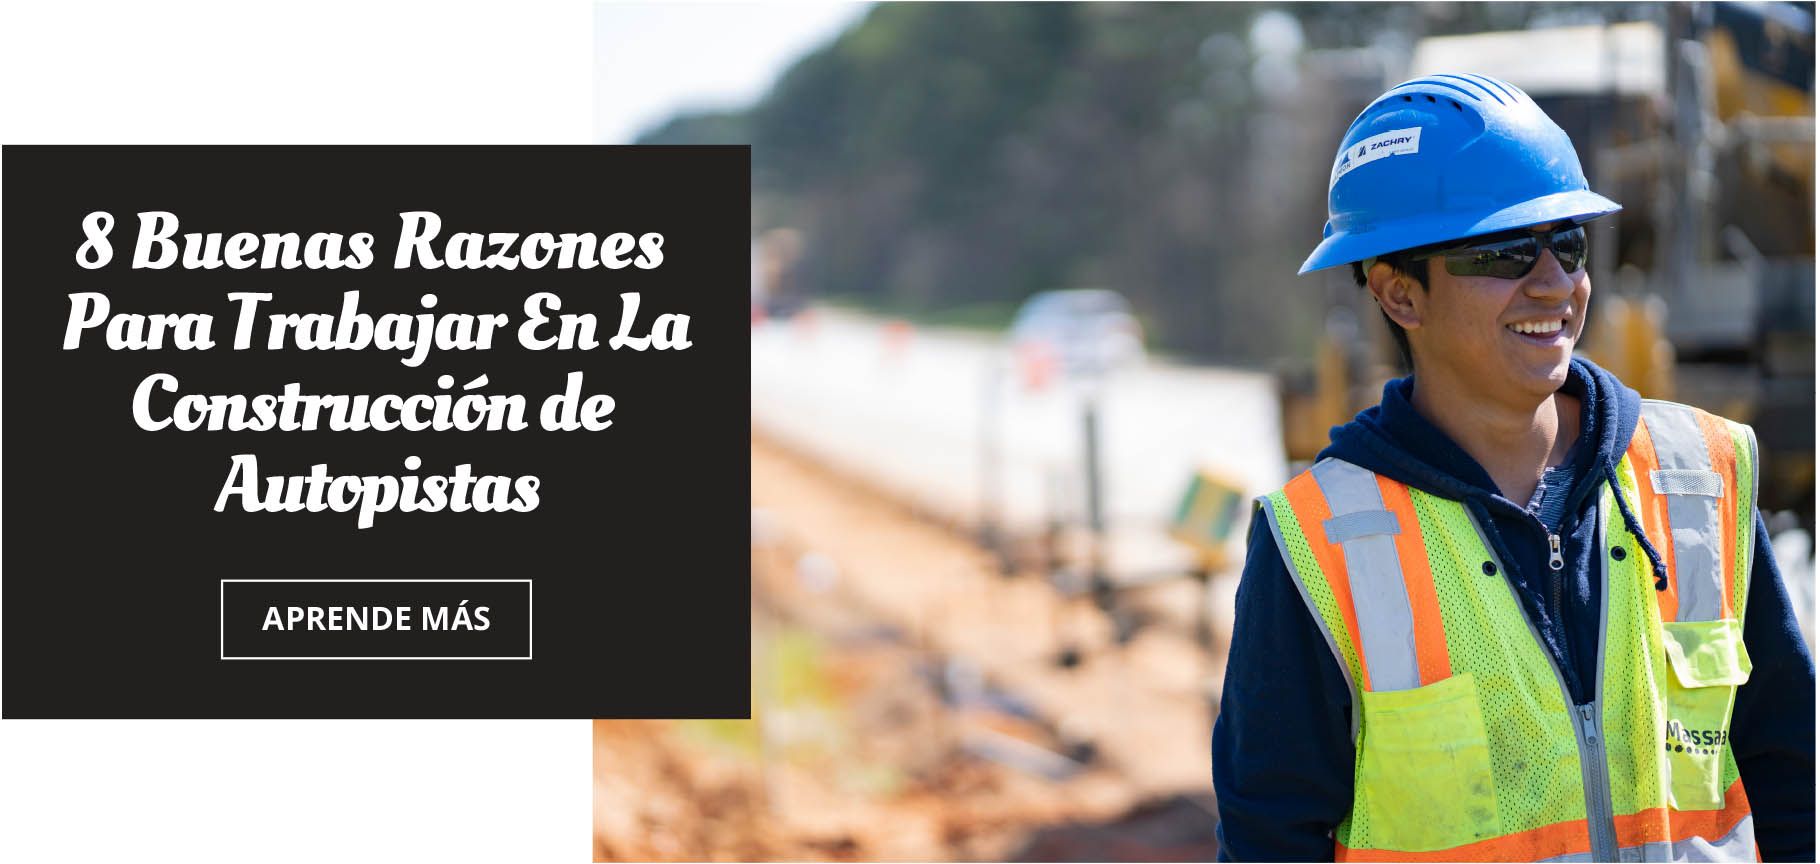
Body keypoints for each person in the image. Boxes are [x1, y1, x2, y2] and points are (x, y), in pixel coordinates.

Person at [1210, 73, 1814, 862]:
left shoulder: (1701, 475)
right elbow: (1270, 837)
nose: (1556, 281)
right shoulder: (1319, 545)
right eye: (1504, 252)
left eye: (1568, 243)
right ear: (1399, 295)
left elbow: (1794, 774)